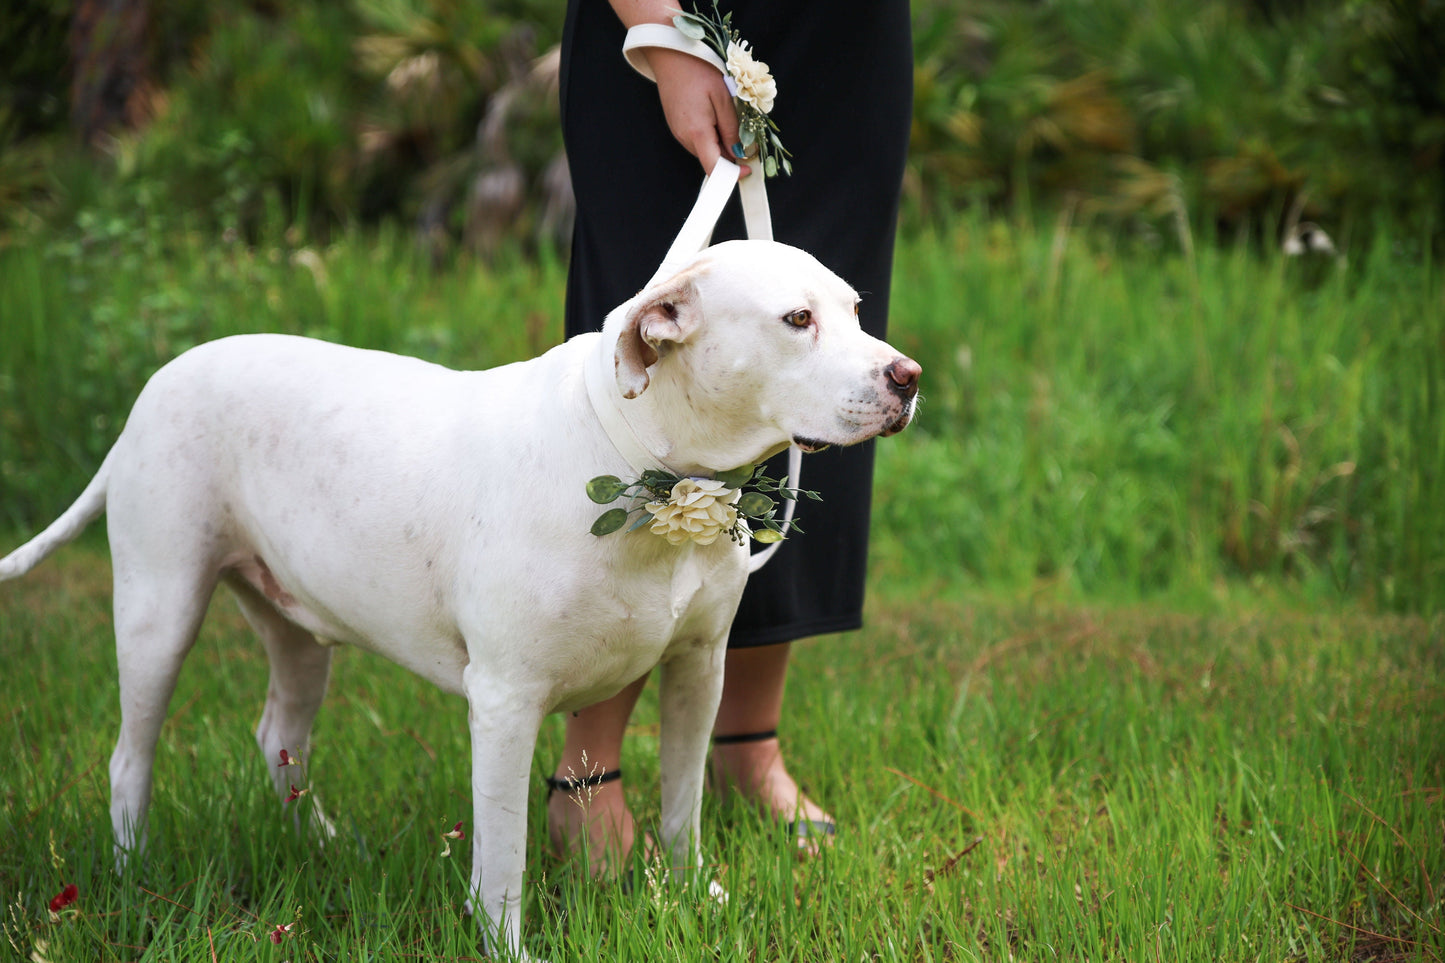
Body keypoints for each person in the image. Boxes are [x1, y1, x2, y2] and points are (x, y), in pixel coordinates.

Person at [550, 0, 913, 872]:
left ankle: (746, 741)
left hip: (839, 45)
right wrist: (663, 38)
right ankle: (587, 774)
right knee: (648, 364)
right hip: (667, 23)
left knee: (816, 364)